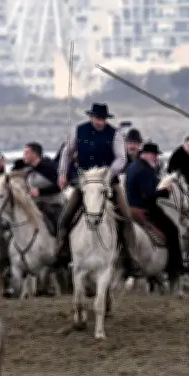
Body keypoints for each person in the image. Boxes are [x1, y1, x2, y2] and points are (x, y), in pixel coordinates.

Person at [56, 103, 133, 267]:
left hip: (109, 183)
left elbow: (121, 158)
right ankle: (62, 250)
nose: (100, 122)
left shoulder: (115, 134)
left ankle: (130, 256)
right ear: (91, 117)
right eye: (98, 118)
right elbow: (67, 153)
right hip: (85, 182)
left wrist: (108, 173)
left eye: (103, 119)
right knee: (66, 216)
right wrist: (62, 173)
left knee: (126, 217)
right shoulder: (78, 130)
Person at [125, 142, 182, 277]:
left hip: (129, 207)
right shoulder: (146, 170)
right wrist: (164, 191)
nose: (156, 158)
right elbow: (148, 195)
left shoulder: (132, 166)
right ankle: (174, 267)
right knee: (173, 230)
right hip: (144, 208)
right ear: (148, 155)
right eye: (155, 155)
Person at [22, 142, 62, 229]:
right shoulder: (29, 169)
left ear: (34, 154)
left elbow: (59, 186)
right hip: (35, 206)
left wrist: (40, 191)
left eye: (26, 153)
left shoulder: (49, 167)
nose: (23, 155)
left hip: (54, 206)